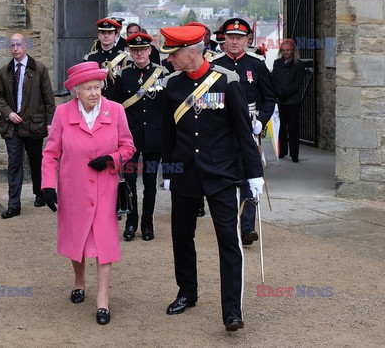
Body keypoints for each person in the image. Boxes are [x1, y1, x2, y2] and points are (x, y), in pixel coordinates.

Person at [160, 25, 264, 331]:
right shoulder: (171, 85)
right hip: (184, 174)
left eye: (174, 53)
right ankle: (187, 292)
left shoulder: (227, 81)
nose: (170, 59)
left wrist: (253, 174)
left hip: (221, 173)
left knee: (228, 241)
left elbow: (243, 131)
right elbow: (168, 134)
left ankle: (232, 309)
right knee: (181, 236)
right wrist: (169, 171)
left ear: (192, 52)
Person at [41, 61, 135, 325]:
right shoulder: (62, 114)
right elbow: (50, 154)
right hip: (74, 190)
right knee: (77, 240)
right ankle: (79, 281)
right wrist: (48, 186)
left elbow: (128, 148)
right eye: (88, 89)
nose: (95, 93)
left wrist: (111, 158)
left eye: (98, 87)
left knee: (105, 242)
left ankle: (103, 300)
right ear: (76, 91)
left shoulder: (115, 111)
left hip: (105, 189)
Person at [212, 18, 276, 246]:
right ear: (225, 40)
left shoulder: (257, 64)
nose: (235, 42)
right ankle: (230, 224)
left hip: (250, 125)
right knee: (227, 176)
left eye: (240, 38)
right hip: (224, 126)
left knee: (250, 174)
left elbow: (269, 98)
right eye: (231, 37)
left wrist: (262, 121)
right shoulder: (214, 64)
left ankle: (247, 226)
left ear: (248, 39)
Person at [0, 33, 55, 219]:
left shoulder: (39, 69)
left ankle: (39, 192)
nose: (15, 49)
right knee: (14, 164)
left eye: (18, 44)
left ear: (25, 46)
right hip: (12, 127)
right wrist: (8, 113)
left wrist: (50, 123)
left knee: (36, 161)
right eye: (12, 45)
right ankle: (14, 205)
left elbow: (48, 99)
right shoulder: (5, 71)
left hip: (34, 124)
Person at [114, 32, 168, 241]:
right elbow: (117, 106)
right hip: (130, 139)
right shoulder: (123, 75)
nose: (139, 54)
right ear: (130, 51)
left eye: (143, 50)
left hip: (154, 138)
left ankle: (147, 225)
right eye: (135, 50)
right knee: (129, 182)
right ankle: (130, 224)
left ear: (149, 50)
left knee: (150, 183)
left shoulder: (161, 74)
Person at [272, 39, 305, 162]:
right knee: (281, 127)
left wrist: (286, 92)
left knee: (293, 128)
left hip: (293, 100)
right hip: (280, 100)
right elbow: (273, 79)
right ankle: (283, 151)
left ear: (293, 51)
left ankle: (294, 154)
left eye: (288, 50)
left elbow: (298, 83)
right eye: (284, 50)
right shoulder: (277, 63)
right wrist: (278, 92)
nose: (286, 52)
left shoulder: (299, 65)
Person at [83, 18, 128, 101]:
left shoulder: (125, 58)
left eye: (110, 33)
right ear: (99, 35)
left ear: (116, 35)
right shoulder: (90, 58)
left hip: (117, 104)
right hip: (95, 104)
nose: (106, 36)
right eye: (103, 33)